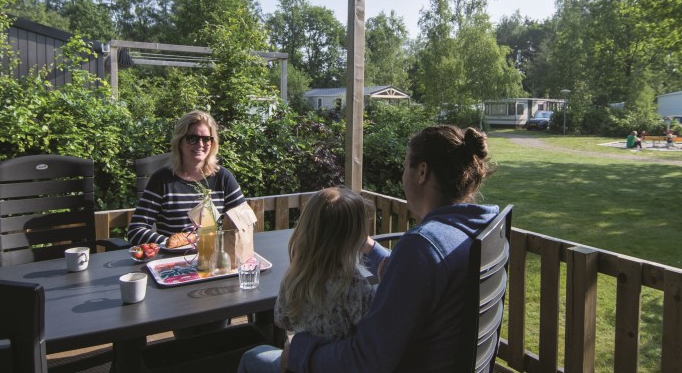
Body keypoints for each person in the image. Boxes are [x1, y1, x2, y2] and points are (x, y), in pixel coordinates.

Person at [242, 125, 500, 373]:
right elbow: (424, 278)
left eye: (404, 166)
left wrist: (298, 352)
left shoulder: (423, 246)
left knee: (254, 357)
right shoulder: (472, 230)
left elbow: (364, 361)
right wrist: (373, 249)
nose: (402, 176)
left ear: (422, 172)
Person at [238, 188, 376, 373]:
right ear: (356, 237)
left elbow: (282, 320)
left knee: (253, 355)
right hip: (337, 365)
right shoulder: (355, 286)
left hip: (301, 363)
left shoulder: (295, 277)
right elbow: (371, 337)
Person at [128, 110, 246, 250]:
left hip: (215, 260)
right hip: (173, 263)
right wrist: (171, 242)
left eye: (206, 139)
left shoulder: (223, 178)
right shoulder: (162, 180)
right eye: (192, 138)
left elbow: (244, 222)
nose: (200, 144)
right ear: (179, 141)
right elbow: (135, 231)